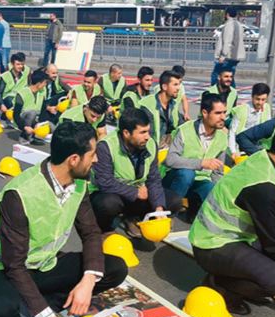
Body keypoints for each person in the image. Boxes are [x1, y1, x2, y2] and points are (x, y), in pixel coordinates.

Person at [0, 121, 128, 317]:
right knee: (2, 307)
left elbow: (90, 233)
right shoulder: (18, 194)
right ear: (74, 160)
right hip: (5, 270)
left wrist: (88, 281)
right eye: (92, 154)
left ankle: (50, 303)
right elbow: (14, 266)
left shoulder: (80, 184)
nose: (96, 160)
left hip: (45, 265)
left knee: (115, 268)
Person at [189, 123, 275, 314]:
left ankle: (246, 273)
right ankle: (221, 284)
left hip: (233, 239)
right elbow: (273, 241)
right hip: (212, 245)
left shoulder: (266, 160)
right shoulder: (263, 186)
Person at [89, 108, 182, 237]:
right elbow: (105, 182)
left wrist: (159, 208)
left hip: (139, 192)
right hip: (112, 193)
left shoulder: (150, 144)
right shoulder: (106, 147)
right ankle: (106, 229)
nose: (147, 136)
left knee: (175, 200)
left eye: (148, 131)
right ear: (126, 133)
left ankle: (137, 218)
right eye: (142, 132)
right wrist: (135, 192)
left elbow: (153, 179)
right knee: (107, 204)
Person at [162, 93, 228, 218]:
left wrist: (217, 195)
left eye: (224, 112)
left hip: (200, 181)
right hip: (174, 180)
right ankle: (168, 214)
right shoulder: (185, 130)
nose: (223, 117)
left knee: (212, 192)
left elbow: (218, 173)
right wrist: (201, 163)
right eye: (218, 113)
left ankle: (195, 208)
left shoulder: (223, 138)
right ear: (205, 113)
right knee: (187, 174)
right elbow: (170, 160)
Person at [137, 70, 183, 148]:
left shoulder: (173, 104)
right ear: (164, 87)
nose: (178, 88)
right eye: (175, 84)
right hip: (149, 147)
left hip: (166, 145)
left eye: (179, 84)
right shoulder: (147, 106)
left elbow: (180, 125)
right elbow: (145, 135)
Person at [228, 83, 271, 160]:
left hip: (258, 144)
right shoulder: (242, 110)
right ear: (252, 97)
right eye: (257, 99)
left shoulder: (266, 108)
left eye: (263, 100)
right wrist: (233, 151)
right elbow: (232, 132)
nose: (260, 103)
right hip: (242, 143)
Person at [212, 7, 246, 87]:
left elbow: (227, 41)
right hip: (237, 56)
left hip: (228, 56)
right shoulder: (239, 25)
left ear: (227, 14)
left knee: (216, 75)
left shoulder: (228, 25)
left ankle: (214, 94)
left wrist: (223, 55)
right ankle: (231, 94)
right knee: (230, 77)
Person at [14, 69, 50, 145]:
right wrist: (25, 127)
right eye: (45, 83)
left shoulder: (41, 93)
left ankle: (34, 136)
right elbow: (16, 115)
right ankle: (25, 136)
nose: (45, 85)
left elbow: (43, 110)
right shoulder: (22, 93)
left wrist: (41, 123)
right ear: (39, 83)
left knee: (50, 125)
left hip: (34, 118)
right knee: (32, 113)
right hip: (21, 120)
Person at [0, 52, 29, 121]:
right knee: (10, 100)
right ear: (12, 64)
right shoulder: (5, 76)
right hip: (8, 99)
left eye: (22, 64)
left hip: (20, 96)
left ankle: (7, 117)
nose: (20, 66)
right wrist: (1, 104)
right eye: (18, 64)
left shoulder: (26, 72)